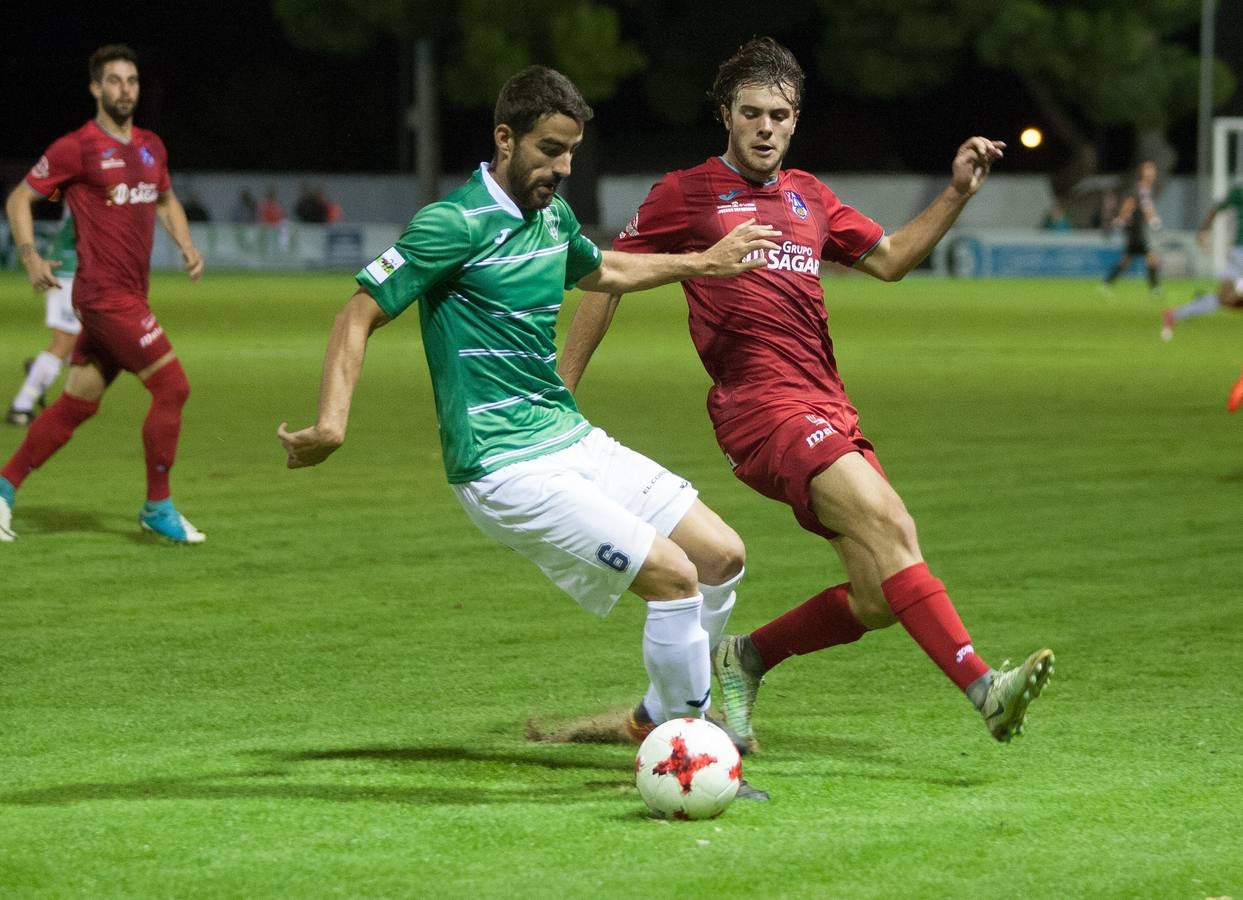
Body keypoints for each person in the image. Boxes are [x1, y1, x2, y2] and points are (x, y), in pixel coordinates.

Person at [559, 37, 1054, 748]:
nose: (766, 127)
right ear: (726, 115)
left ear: (795, 120)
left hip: (827, 404)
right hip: (761, 410)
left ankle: (745, 658)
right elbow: (606, 279)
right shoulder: (685, 193)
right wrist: (562, 388)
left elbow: (888, 261)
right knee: (891, 525)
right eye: (752, 113)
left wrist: (955, 192)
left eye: (780, 115)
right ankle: (984, 688)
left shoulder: (808, 197)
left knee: (880, 595)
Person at [278, 67, 781, 762]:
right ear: (504, 138)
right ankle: (688, 752)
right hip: (501, 463)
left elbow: (601, 270)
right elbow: (358, 311)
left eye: (570, 152)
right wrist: (331, 423)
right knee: (672, 577)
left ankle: (658, 714)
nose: (561, 167)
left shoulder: (552, 217)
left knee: (721, 555)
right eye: (549, 149)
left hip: (567, 437)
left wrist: (702, 263)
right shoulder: (452, 224)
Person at [0, 43, 205, 544]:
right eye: (113, 81)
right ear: (95, 88)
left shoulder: (152, 147)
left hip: (130, 296)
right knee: (173, 387)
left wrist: (186, 244)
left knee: (77, 404)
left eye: (131, 81)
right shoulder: (78, 148)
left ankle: (3, 489)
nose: (124, 90)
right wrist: (29, 256)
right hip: (104, 296)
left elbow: (165, 199)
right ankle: (158, 505)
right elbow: (21, 198)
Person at [6, 215, 80, 427]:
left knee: (87, 346)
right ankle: (21, 407)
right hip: (66, 272)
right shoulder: (90, 191)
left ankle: (41, 369)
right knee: (65, 342)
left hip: (77, 272)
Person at [1161, 180, 1243, 341]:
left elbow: (1216, 208)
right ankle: (1175, 314)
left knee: (1225, 299)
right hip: (1239, 252)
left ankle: (1175, 314)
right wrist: (1204, 230)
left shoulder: (1238, 191)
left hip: (1237, 252)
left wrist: (1204, 229)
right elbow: (1217, 208)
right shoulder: (1238, 192)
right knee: (1226, 299)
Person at [1102, 160, 1162, 296]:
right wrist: (1121, 219)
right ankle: (1155, 289)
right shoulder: (1139, 188)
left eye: (1153, 169)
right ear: (1142, 172)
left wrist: (1153, 218)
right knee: (1151, 257)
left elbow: (1147, 207)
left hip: (1137, 228)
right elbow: (1129, 203)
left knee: (1126, 260)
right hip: (1135, 229)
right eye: (1148, 169)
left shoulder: (1146, 188)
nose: (1152, 172)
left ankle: (1106, 283)